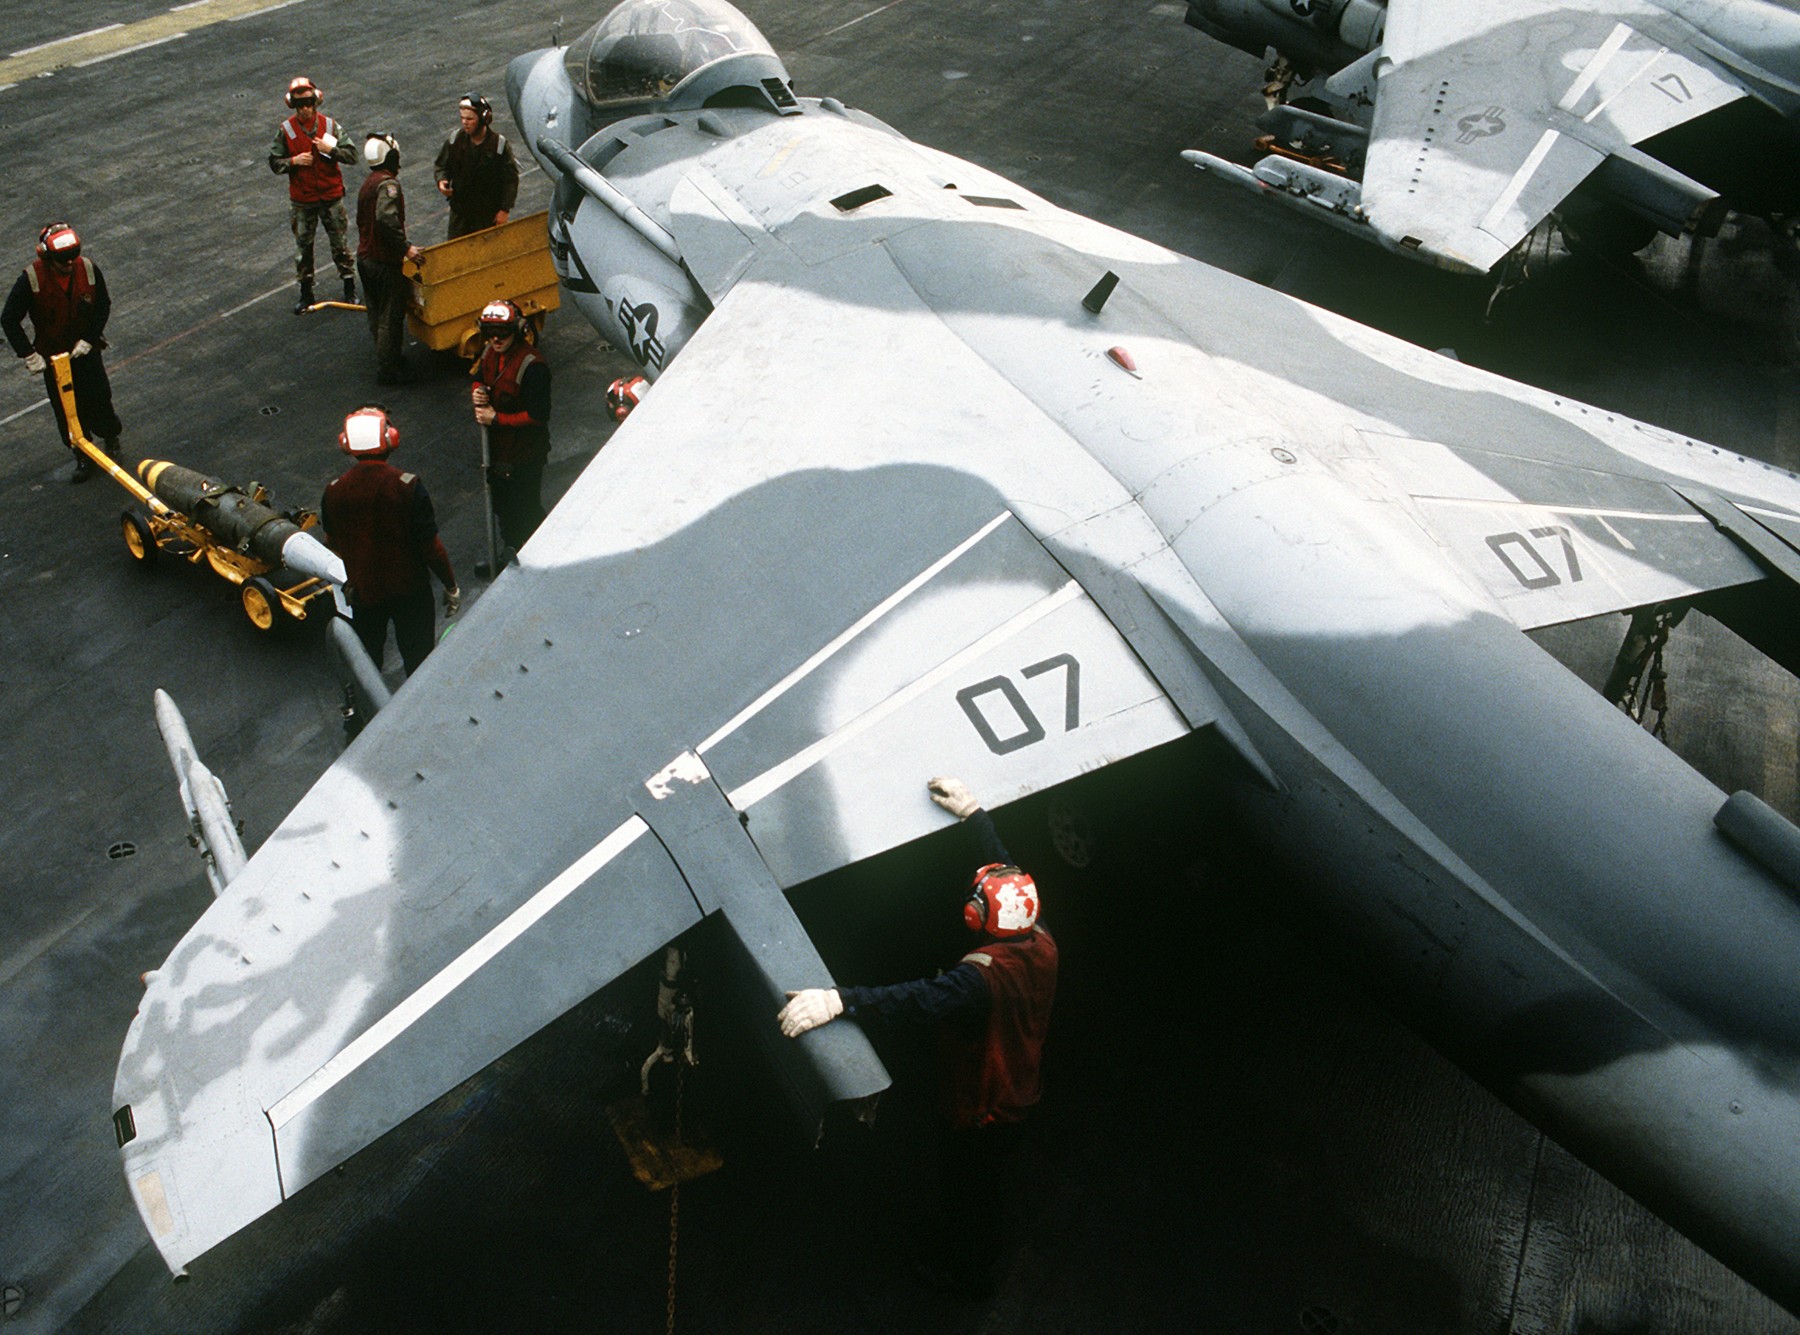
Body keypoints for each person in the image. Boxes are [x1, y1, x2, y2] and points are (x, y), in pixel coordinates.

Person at [779, 775, 1058, 1296]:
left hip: (981, 1112)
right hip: (1021, 1091)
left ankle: (967, 1276)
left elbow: (912, 1000)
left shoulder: (977, 979)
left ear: (976, 916)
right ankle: (971, 1252)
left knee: (968, 1196)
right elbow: (1009, 869)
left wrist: (838, 999)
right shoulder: (1042, 939)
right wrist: (976, 815)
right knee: (982, 1191)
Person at [320, 405, 460, 677]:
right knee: (420, 664)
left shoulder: (334, 492)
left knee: (367, 664)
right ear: (390, 438)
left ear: (346, 444)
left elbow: (333, 543)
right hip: (411, 593)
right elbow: (431, 548)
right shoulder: (407, 487)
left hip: (365, 593)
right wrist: (450, 584)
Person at [2, 223, 122, 483]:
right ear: (47, 257)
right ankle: (82, 453)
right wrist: (29, 354)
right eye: (62, 259)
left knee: (99, 396)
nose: (69, 262)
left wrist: (89, 339)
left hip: (84, 351)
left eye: (72, 255)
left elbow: (103, 305)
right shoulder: (31, 279)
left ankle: (111, 438)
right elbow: (9, 318)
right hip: (53, 358)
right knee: (67, 409)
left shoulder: (87, 269)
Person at [267, 77, 358, 314]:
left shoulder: (329, 126)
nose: (305, 109)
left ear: (316, 102)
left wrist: (332, 150)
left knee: (340, 245)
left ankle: (349, 288)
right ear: (293, 106)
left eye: (308, 103)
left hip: (331, 196)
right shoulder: (286, 130)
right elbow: (275, 162)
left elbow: (352, 155)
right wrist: (293, 162)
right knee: (303, 248)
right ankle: (306, 292)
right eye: (300, 105)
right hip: (303, 200)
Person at [470, 299, 551, 564]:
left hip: (524, 454)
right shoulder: (488, 354)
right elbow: (478, 377)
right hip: (498, 453)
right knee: (503, 507)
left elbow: (538, 416)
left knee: (524, 511)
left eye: (502, 332)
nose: (495, 338)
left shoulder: (533, 366)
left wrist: (496, 419)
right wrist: (477, 393)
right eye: (489, 332)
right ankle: (513, 551)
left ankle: (536, 556)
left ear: (516, 330)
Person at [356, 132, 422, 385]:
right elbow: (386, 219)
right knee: (390, 316)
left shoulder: (368, 182)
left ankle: (389, 357)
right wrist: (406, 249)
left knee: (376, 312)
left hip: (365, 258)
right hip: (384, 261)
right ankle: (388, 369)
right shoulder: (388, 185)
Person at [433, 94, 521, 239]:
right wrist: (442, 180)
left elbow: (510, 180)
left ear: (483, 119)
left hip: (487, 216)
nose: (464, 123)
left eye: (469, 119)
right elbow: (441, 165)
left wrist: (505, 210)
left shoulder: (498, 145)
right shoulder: (455, 140)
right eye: (462, 118)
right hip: (460, 216)